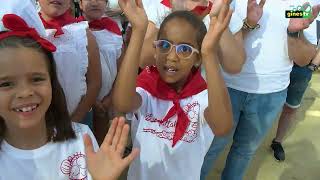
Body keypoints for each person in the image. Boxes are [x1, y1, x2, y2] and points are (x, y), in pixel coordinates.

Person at [0, 0, 138, 179]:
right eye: (6, 84)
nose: (25, 92)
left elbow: (94, 80)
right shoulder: (27, 36)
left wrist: (74, 118)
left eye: (36, 79)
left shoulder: (82, 33)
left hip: (77, 116)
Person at [112, 0, 234, 179]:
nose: (171, 56)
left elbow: (222, 127)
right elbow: (122, 103)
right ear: (155, 51)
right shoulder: (148, 89)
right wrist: (138, 31)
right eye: (164, 45)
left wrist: (209, 53)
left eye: (184, 49)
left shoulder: (202, 97)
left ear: (197, 58)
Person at [200, 0, 320, 179]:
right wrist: (248, 24)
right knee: (209, 148)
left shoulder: (303, 3)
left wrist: (294, 33)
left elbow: (302, 60)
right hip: (225, 87)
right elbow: (218, 35)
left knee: (245, 151)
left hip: (270, 93)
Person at [38, 0, 102, 127]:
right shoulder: (25, 32)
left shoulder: (83, 33)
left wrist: (74, 121)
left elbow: (95, 82)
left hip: (78, 119)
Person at [140, 0, 246, 76]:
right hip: (159, 97)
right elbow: (143, 60)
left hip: (203, 97)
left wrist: (218, 19)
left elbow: (234, 67)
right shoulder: (160, 6)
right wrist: (177, 14)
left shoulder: (223, 10)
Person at [271, 16, 320, 161]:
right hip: (278, 62)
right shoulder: (290, 6)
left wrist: (312, 66)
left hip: (302, 69)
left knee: (291, 107)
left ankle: (277, 141)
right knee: (266, 103)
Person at [78, 0, 124, 144]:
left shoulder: (114, 30)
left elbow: (121, 66)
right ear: (80, 4)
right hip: (82, 101)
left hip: (108, 99)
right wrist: (93, 100)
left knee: (104, 140)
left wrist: (110, 97)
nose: (94, 3)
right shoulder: (73, 30)